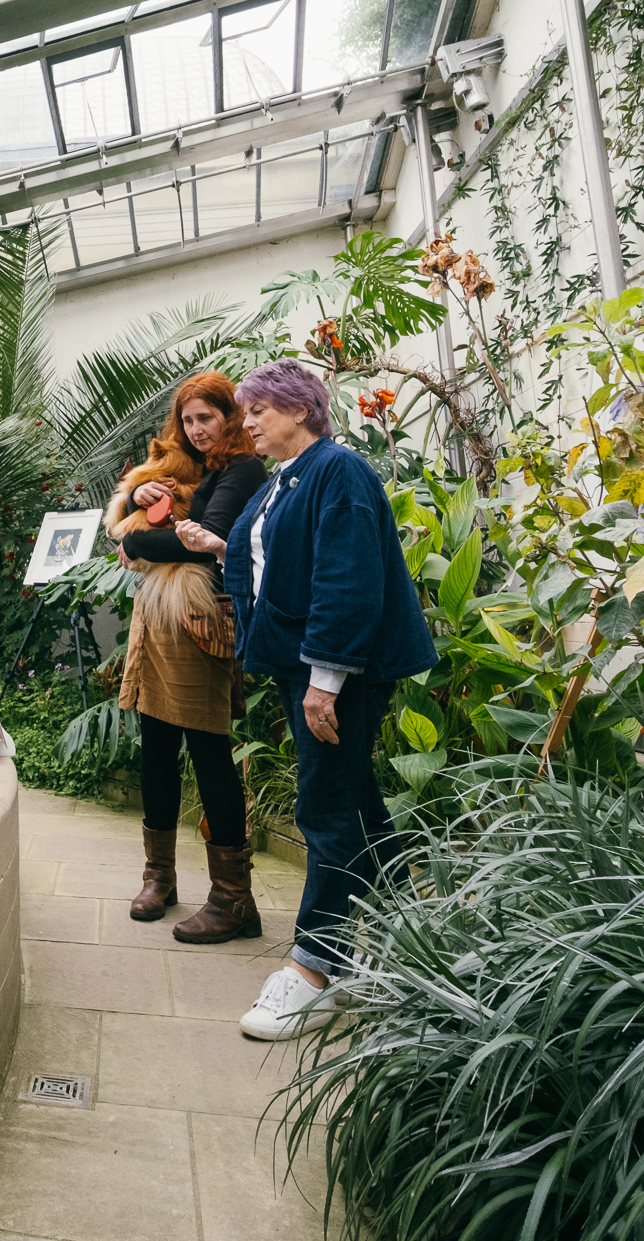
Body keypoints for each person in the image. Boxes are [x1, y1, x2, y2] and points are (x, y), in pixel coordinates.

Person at [220, 361, 435, 1040]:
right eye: (244, 410)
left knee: (327, 807)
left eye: (259, 408)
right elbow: (264, 561)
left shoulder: (337, 470)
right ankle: (419, 933)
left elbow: (346, 578)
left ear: (302, 408)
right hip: (301, 668)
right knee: (358, 804)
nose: (247, 420)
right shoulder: (286, 482)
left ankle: (315, 968)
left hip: (334, 672)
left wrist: (326, 678)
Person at [105, 371, 268, 943]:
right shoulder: (187, 465)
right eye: (189, 419)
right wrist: (136, 497)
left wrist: (134, 541)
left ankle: (233, 899)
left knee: (208, 751)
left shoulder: (242, 468)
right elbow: (133, 509)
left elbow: (199, 538)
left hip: (199, 622)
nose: (198, 430)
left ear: (230, 416)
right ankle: (160, 877)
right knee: (155, 750)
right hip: (157, 620)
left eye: (208, 418)